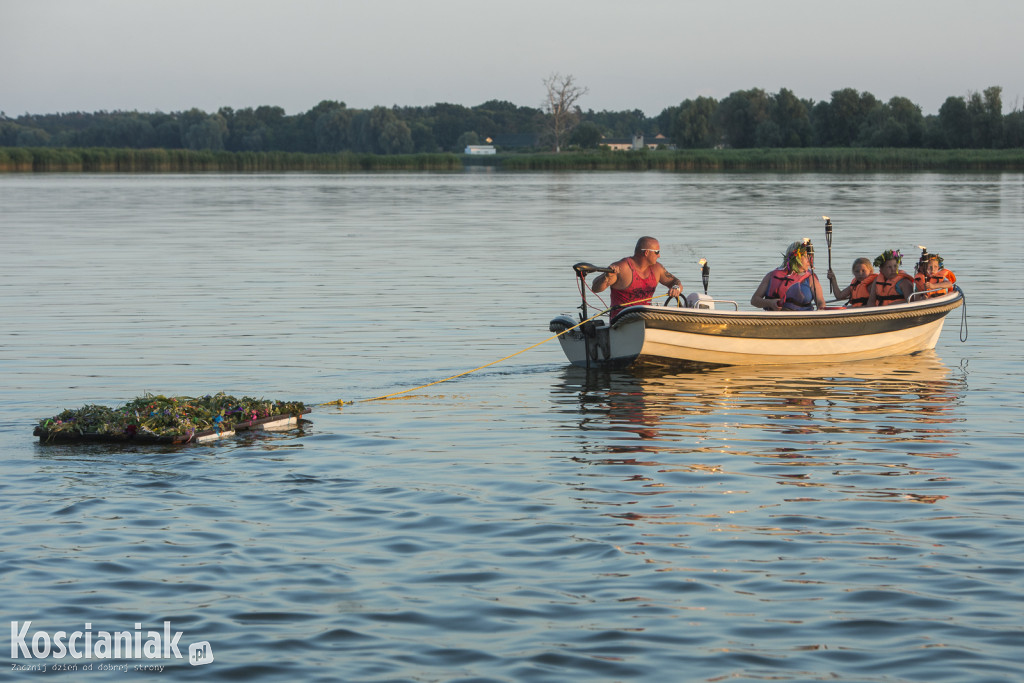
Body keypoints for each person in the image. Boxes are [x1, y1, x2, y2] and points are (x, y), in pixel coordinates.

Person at [592, 236, 683, 320]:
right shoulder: (623, 268)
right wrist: (606, 277)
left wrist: (676, 288)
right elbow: (595, 288)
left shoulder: (657, 269)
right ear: (646, 252)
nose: (659, 255)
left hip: (645, 318)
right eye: (657, 252)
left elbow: (675, 282)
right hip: (621, 320)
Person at [750, 239, 825, 311]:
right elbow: (754, 300)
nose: (810, 260)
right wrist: (770, 303)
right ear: (796, 258)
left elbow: (820, 302)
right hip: (774, 318)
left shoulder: (811, 278)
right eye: (806, 257)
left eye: (810, 257)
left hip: (803, 319)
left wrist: (821, 311)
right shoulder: (771, 275)